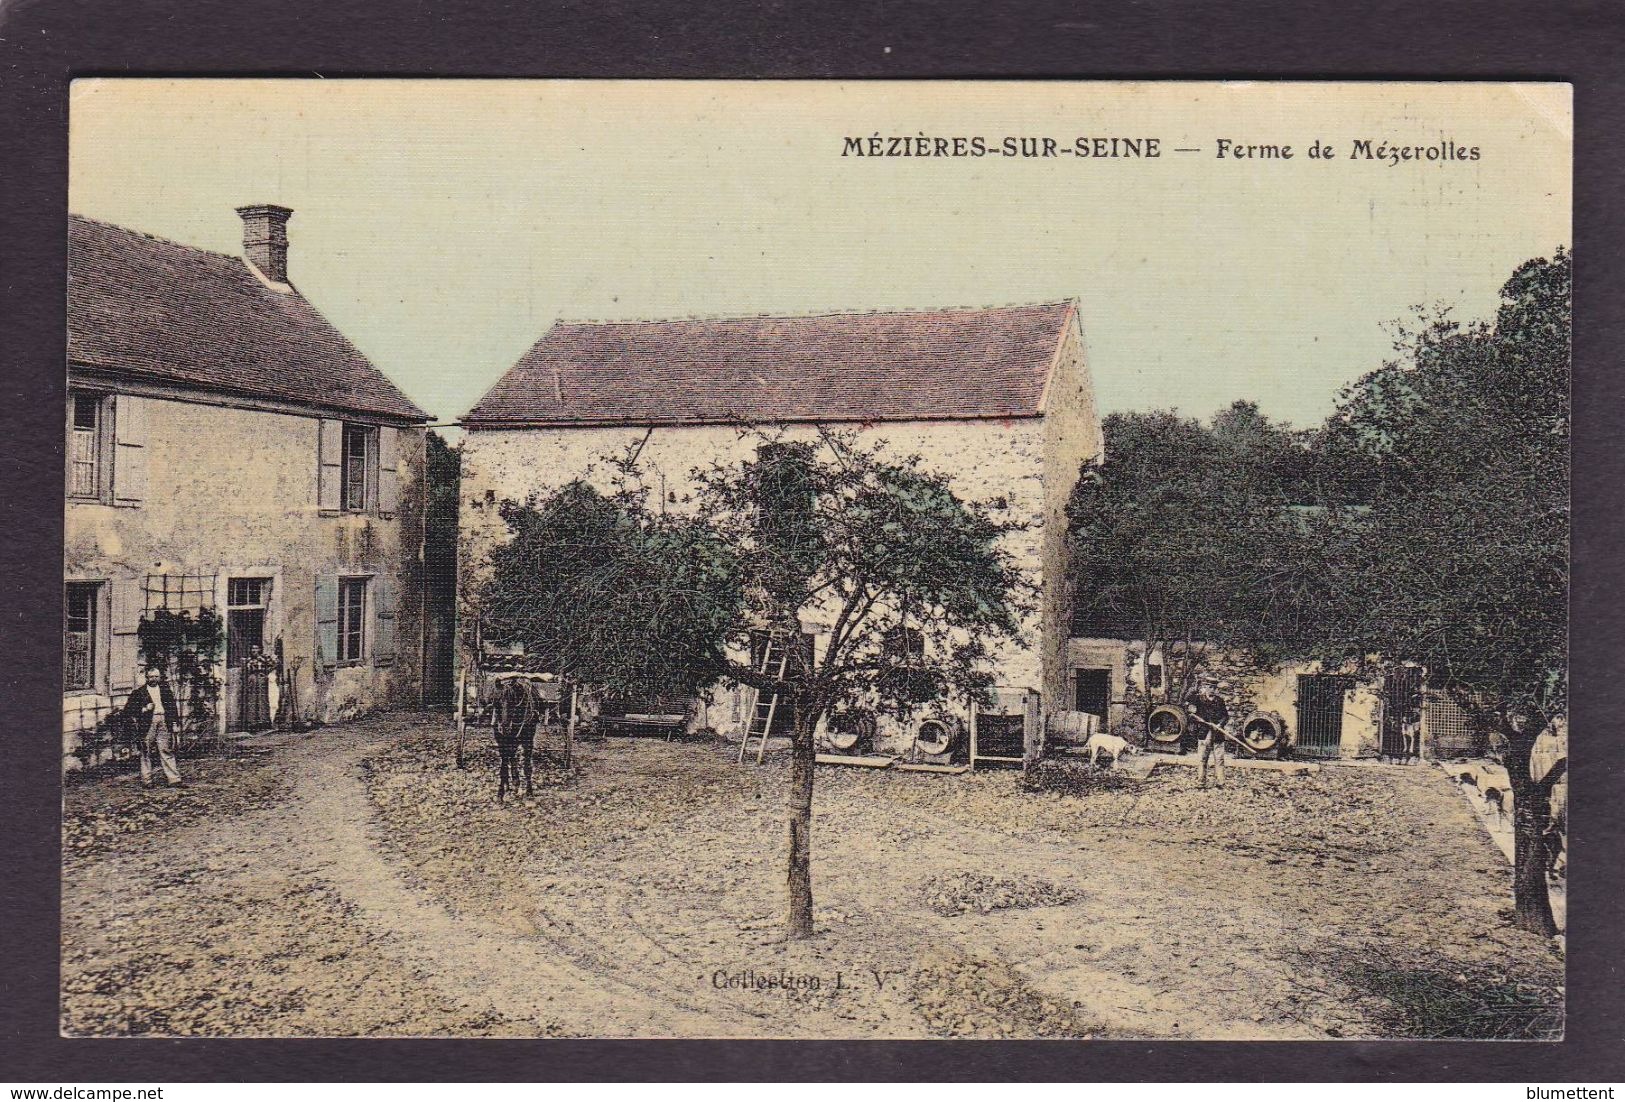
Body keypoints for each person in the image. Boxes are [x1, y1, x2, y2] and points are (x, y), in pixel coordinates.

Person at [122, 667, 184, 788]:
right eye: (151, 677)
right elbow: (128, 711)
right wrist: (144, 709)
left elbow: (172, 708)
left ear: (159, 677)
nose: (154, 679)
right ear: (147, 678)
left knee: (166, 749)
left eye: (156, 676)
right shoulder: (139, 692)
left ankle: (174, 779)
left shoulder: (165, 690)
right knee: (146, 751)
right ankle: (147, 781)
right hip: (147, 723)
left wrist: (175, 723)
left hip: (164, 721)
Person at [1185, 675, 1230, 789]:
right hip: (1204, 733)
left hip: (1218, 734)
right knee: (1202, 759)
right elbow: (1187, 699)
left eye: (1214, 688)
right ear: (1206, 687)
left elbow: (1225, 716)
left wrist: (1220, 725)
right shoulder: (1199, 699)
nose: (1213, 690)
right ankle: (1201, 783)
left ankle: (1220, 783)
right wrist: (1196, 687)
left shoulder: (1220, 701)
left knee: (1219, 759)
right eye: (1210, 687)